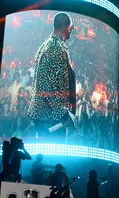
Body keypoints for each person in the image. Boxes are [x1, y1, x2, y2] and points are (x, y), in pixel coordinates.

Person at [27, 12, 76, 140]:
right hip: (49, 118)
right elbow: (46, 86)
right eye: (71, 27)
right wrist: (62, 114)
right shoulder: (54, 48)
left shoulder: (53, 45)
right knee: (53, 157)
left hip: (49, 116)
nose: (72, 31)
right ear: (65, 26)